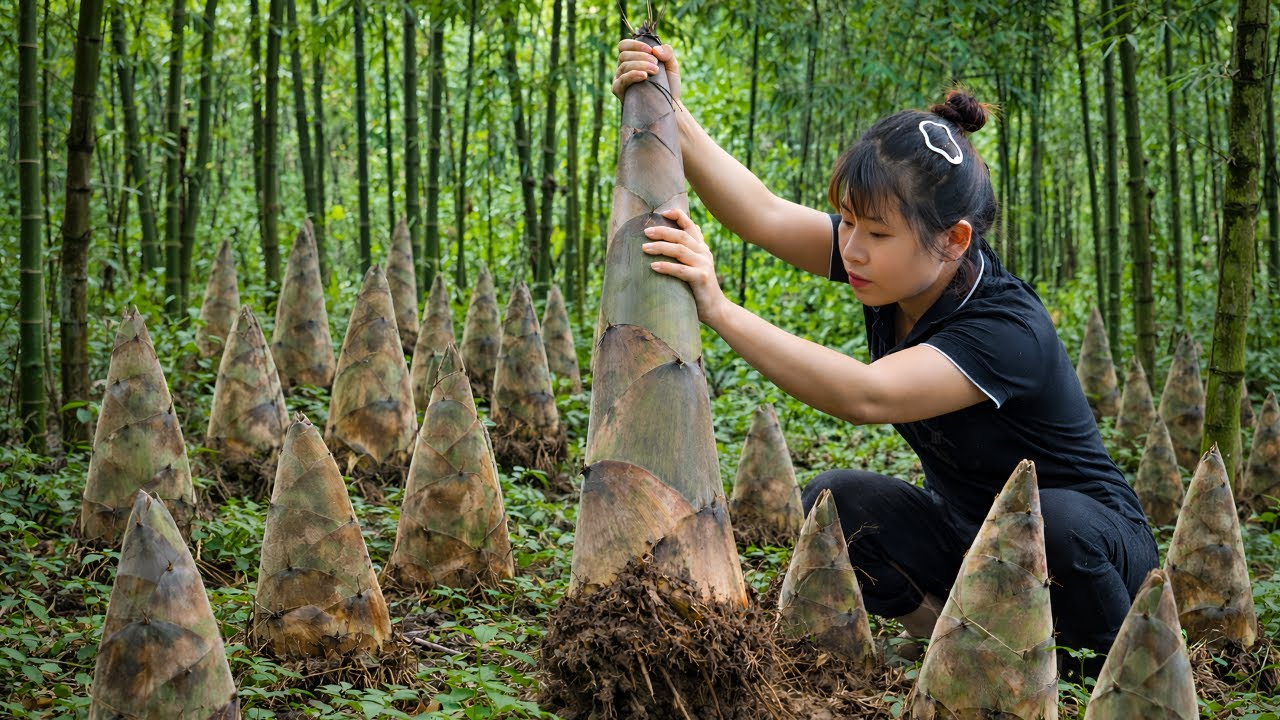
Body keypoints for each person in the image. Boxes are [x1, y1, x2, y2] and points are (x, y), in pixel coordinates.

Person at [613, 39, 1158, 670]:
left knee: (1051, 522)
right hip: (969, 536)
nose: (853, 249)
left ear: (953, 241)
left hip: (1090, 550)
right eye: (847, 223)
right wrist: (671, 107)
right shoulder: (895, 269)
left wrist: (718, 307)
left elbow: (865, 394)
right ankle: (954, 642)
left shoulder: (1005, 328)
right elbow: (761, 213)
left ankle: (1095, 665)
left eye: (876, 233)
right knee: (837, 500)